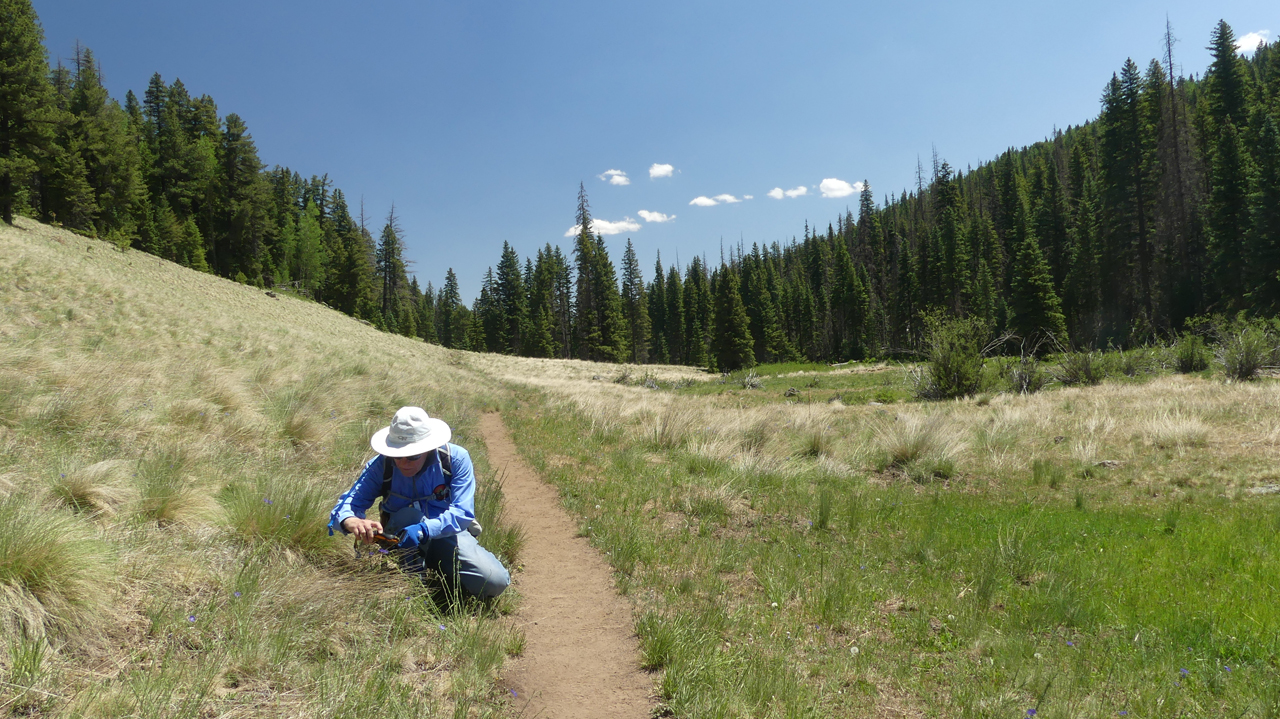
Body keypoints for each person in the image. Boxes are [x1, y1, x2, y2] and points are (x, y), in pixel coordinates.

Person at [328, 406, 510, 598]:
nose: (402, 463)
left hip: (445, 535)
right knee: (410, 516)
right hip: (397, 538)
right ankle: (412, 587)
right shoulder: (380, 465)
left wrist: (424, 530)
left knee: (494, 581)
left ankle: (441, 570)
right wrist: (352, 521)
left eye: (412, 456)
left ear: (429, 448)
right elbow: (347, 505)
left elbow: (462, 513)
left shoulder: (455, 459)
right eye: (397, 455)